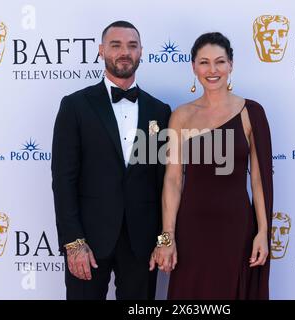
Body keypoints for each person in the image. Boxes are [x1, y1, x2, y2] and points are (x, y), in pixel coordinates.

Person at [52, 20, 171, 300]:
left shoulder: (160, 110)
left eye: (132, 46)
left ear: (141, 52)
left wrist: (163, 240)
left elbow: (165, 182)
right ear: (101, 50)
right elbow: (63, 180)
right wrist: (73, 242)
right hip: (88, 241)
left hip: (142, 243)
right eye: (116, 45)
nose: (124, 52)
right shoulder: (75, 106)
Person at [149, 32, 273, 299]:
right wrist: (166, 239)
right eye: (204, 62)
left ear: (231, 65)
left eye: (220, 61)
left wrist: (263, 232)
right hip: (190, 230)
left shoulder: (251, 112)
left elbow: (259, 180)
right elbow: (172, 181)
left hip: (237, 229)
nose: (212, 70)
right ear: (193, 67)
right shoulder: (181, 115)